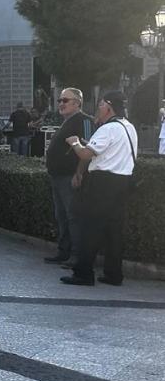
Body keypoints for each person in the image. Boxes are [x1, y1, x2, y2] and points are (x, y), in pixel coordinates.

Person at [61, 91, 138, 287]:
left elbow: (86, 155)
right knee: (114, 231)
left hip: (103, 184)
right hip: (123, 182)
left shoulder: (108, 129)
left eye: (101, 105)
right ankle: (114, 275)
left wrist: (75, 142)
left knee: (90, 228)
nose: (98, 109)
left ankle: (83, 274)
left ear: (109, 106)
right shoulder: (129, 127)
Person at [43, 88, 93, 267]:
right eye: (60, 100)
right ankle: (63, 252)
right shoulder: (66, 121)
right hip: (57, 176)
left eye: (65, 100)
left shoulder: (85, 120)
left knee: (73, 217)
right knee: (61, 215)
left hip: (69, 177)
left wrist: (79, 172)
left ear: (77, 103)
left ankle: (76, 255)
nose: (61, 104)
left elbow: (89, 149)